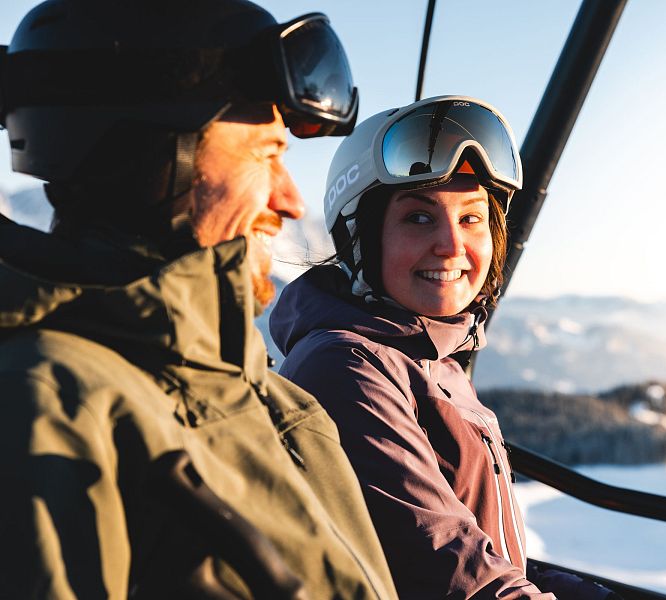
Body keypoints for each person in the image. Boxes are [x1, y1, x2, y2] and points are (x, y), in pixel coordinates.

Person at [0, 1, 397, 598]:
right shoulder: (52, 404)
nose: (290, 201)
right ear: (156, 162)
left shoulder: (274, 400)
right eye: (267, 156)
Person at [271, 96, 618, 599]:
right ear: (361, 239)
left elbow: (488, 553)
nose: (452, 246)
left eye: (472, 219)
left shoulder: (431, 356)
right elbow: (457, 577)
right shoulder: (348, 369)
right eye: (418, 218)